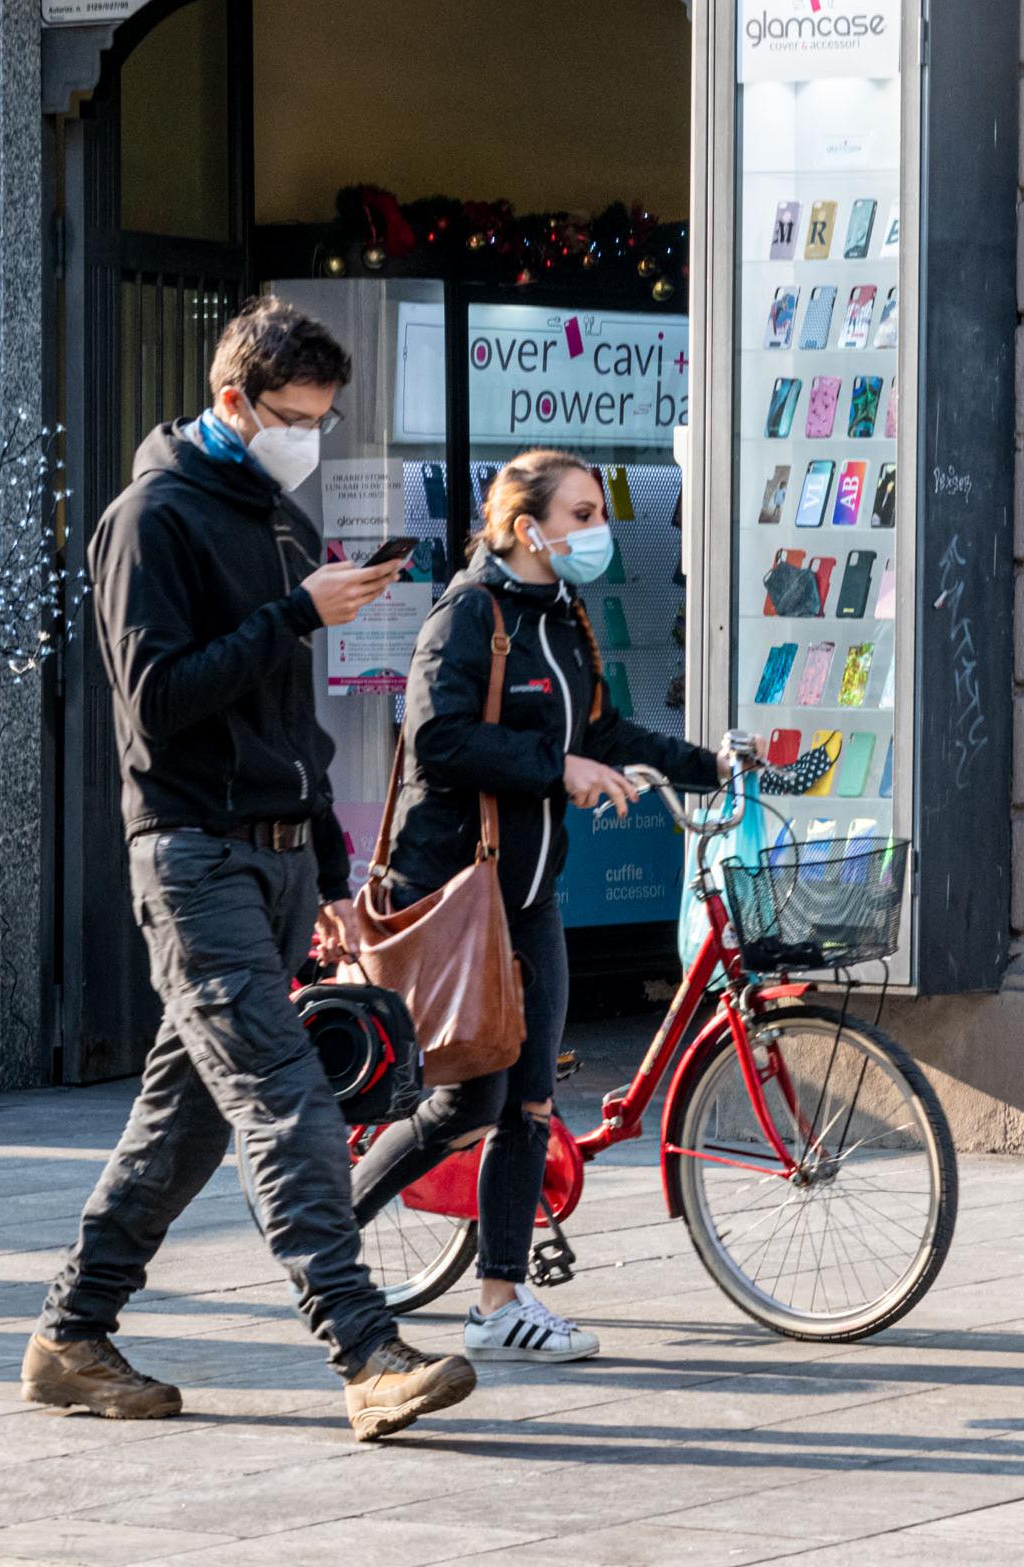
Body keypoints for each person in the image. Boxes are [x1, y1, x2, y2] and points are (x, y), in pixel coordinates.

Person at [30, 298, 477, 1441]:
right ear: (232, 401)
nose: (307, 439)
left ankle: (72, 1334)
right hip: (191, 853)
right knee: (289, 1102)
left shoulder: (275, 516)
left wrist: (329, 868)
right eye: (292, 417)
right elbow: (159, 700)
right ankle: (364, 1349)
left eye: (321, 419)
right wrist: (292, 612)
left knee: (183, 1118)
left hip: (277, 859)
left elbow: (289, 718)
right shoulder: (151, 518)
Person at [346, 448, 729, 1362]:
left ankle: (498, 1302)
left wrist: (708, 763)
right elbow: (438, 741)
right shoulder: (470, 616)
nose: (598, 529)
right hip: (456, 892)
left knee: (525, 1103)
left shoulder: (563, 618)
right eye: (583, 512)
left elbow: (597, 726)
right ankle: (317, 1237)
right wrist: (556, 769)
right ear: (529, 528)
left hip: (529, 895)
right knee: (460, 1106)